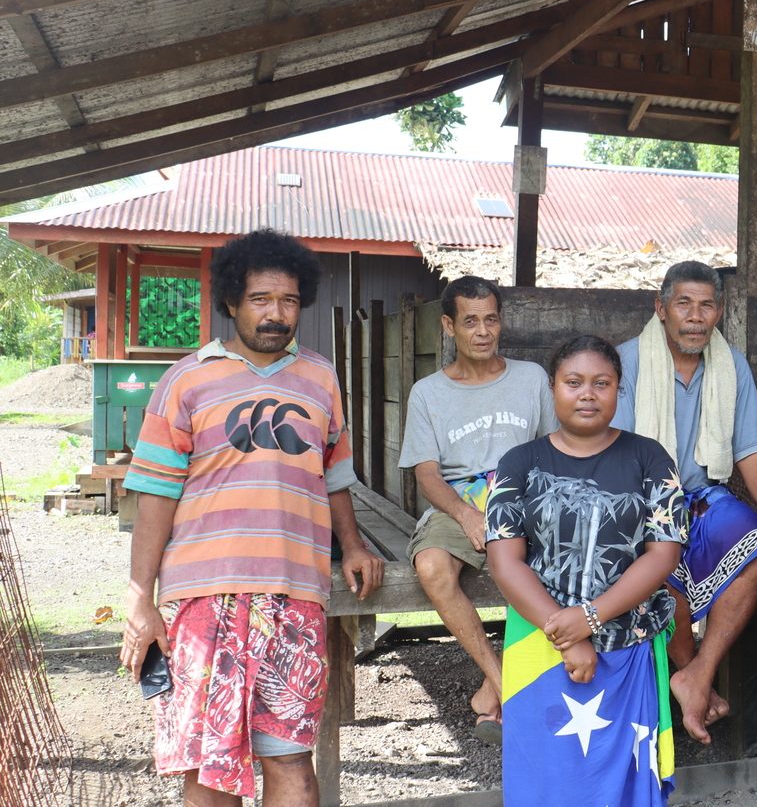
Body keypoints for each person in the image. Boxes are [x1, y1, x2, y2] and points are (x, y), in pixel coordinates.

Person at [119, 228, 385, 804]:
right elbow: (155, 495)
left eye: (288, 300)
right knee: (208, 765)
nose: (276, 313)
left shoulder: (320, 378)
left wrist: (355, 546)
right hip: (203, 594)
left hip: (295, 592)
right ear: (232, 303)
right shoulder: (186, 381)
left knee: (290, 754)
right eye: (261, 300)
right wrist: (141, 594)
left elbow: (334, 476)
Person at [485, 335, 690, 806]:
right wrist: (570, 634)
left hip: (629, 645)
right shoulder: (519, 463)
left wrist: (591, 618)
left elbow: (663, 554)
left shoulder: (650, 458)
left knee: (622, 779)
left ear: (620, 389)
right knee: (545, 777)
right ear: (553, 388)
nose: (587, 393)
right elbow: (504, 560)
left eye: (602, 383)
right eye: (573, 382)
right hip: (540, 645)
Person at [611, 261, 757, 744]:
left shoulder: (731, 366)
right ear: (660, 308)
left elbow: (750, 452)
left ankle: (696, 676)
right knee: (665, 578)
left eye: (706, 305)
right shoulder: (628, 362)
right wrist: (662, 510)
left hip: (705, 496)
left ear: (719, 312)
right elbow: (617, 455)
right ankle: (693, 678)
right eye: (683, 303)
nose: (695, 316)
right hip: (641, 499)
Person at [399, 275, 556, 743]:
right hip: (458, 501)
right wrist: (467, 515)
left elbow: (552, 448)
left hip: (522, 498)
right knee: (431, 567)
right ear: (449, 326)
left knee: (544, 564)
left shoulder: (530, 378)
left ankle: (489, 696)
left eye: (491, 320)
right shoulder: (428, 392)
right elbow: (426, 474)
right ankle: (505, 680)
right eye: (471, 322)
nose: (483, 331)